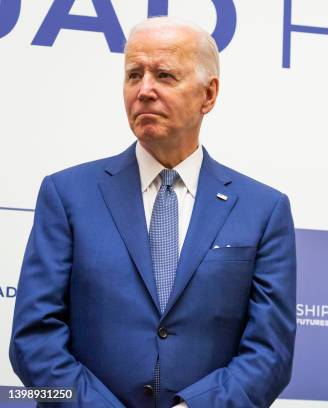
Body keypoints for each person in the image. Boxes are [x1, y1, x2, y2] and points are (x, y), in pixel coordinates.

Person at [9, 17, 296, 408]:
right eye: (133, 75)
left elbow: (271, 354)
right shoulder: (66, 195)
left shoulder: (264, 210)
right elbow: (32, 342)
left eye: (164, 75)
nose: (144, 90)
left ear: (208, 95)